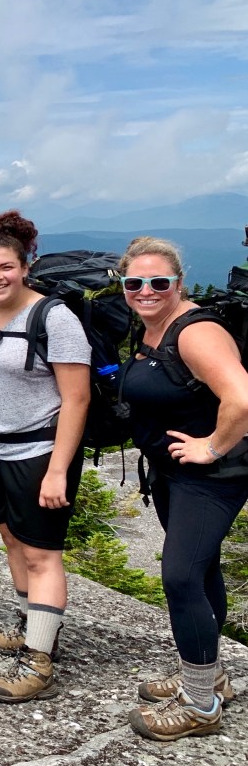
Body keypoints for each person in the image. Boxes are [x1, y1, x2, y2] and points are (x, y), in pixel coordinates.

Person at [117, 237, 248, 740]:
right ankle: (209, 674)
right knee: (202, 569)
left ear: (179, 282)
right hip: (173, 473)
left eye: (158, 282)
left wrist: (210, 448)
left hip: (211, 478)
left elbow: (241, 399)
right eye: (134, 282)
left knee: (180, 577)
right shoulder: (152, 327)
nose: (145, 290)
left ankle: (200, 705)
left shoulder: (196, 333)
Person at [0, 211, 90, 703]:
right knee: (11, 538)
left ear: (25, 267)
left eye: (6, 267)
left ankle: (39, 662)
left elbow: (77, 399)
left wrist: (57, 470)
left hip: (40, 450)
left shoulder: (54, 318)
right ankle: (32, 625)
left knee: (40, 553)